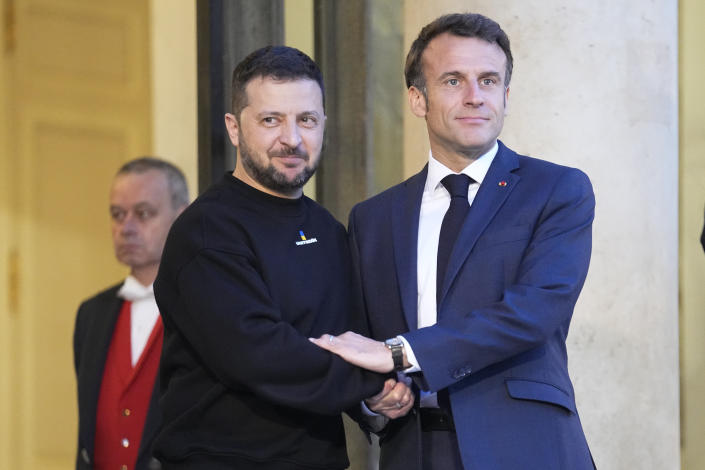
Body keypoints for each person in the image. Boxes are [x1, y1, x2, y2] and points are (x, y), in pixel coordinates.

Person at [311, 12, 596, 470]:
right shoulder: (374, 218)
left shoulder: (556, 190)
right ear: (417, 99)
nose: (474, 97)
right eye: (452, 81)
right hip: (412, 450)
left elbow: (535, 311)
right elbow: (364, 343)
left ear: (506, 94)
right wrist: (373, 400)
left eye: (488, 80)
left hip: (523, 448)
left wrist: (400, 352)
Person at [152, 45, 412, 470]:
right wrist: (369, 382)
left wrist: (379, 397)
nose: (292, 139)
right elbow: (260, 354)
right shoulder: (208, 231)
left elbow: (350, 340)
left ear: (324, 124)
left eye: (306, 120)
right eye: (271, 120)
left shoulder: (328, 230)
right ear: (234, 128)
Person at [73, 157, 189, 470]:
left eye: (143, 213)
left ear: (181, 218)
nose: (126, 227)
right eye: (117, 214)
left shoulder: (201, 309)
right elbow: (88, 434)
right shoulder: (91, 313)